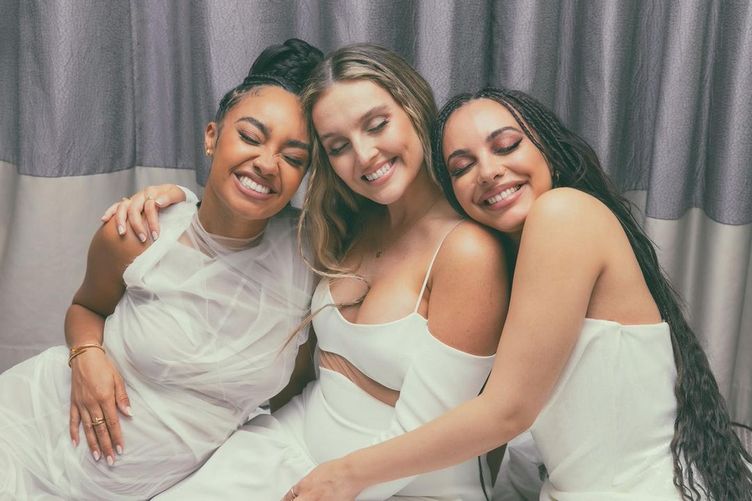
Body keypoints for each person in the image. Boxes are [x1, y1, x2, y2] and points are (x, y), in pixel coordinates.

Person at [286, 88, 752, 501]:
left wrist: (345, 474)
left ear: (547, 149)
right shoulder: (512, 264)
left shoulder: (563, 214)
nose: (489, 172)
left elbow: (506, 412)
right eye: (462, 167)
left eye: (506, 146)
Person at [107, 44, 510, 500]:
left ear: (414, 108)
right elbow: (238, 218)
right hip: (289, 443)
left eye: (377, 125)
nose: (364, 155)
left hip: (403, 484)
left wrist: (339, 480)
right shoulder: (348, 223)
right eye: (338, 146)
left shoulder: (467, 252)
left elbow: (432, 427)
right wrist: (178, 202)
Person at [0, 39, 324, 500]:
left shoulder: (310, 257)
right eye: (251, 137)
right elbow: (86, 307)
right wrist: (86, 354)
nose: (267, 163)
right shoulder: (140, 231)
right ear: (211, 137)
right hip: (27, 439)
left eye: (293, 158)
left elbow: (297, 387)